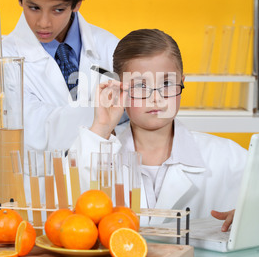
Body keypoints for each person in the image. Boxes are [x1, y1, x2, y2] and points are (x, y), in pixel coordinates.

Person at [71, 28, 248, 231]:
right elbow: (67, 210)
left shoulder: (228, 157)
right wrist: (101, 127)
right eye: (139, 86)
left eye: (166, 83)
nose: (156, 97)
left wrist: (256, 215)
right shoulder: (95, 151)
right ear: (120, 89)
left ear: (182, 82)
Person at [0, 0, 121, 155]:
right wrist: (104, 119)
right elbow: (35, 131)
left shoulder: (110, 47)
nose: (43, 23)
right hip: (40, 185)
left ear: (77, 3)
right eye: (34, 8)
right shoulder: (7, 56)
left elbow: (135, 125)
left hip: (100, 181)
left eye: (58, 10)